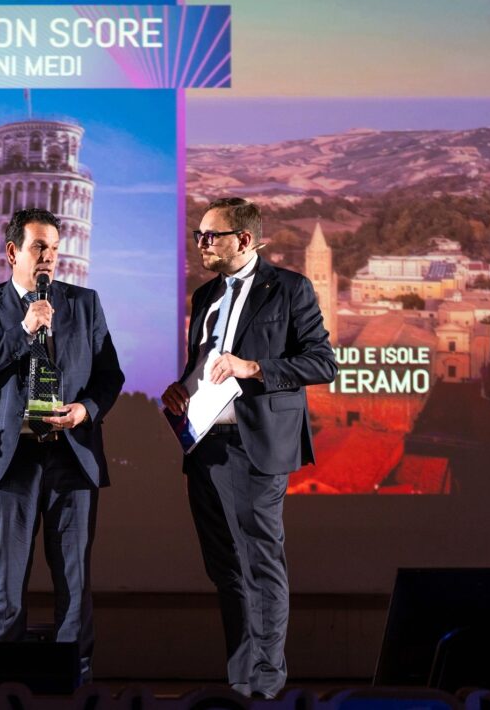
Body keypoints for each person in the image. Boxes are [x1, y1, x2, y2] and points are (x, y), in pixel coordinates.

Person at [162, 197, 337, 698]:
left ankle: (266, 686)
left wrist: (254, 367)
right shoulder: (204, 295)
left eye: (209, 236)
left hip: (256, 444)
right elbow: (203, 365)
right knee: (226, 570)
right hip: (204, 446)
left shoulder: (289, 288)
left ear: (243, 239)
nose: (200, 244)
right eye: (197, 235)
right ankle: (241, 682)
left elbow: (322, 362)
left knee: (260, 563)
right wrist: (181, 389)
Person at [0, 208, 124, 681]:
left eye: (54, 247)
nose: (49, 256)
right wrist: (23, 330)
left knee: (74, 578)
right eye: (39, 247)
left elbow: (110, 376)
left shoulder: (84, 303)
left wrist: (85, 410)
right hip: (13, 460)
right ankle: (1, 685)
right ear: (13, 252)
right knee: (7, 579)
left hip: (71, 455)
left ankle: (75, 681)